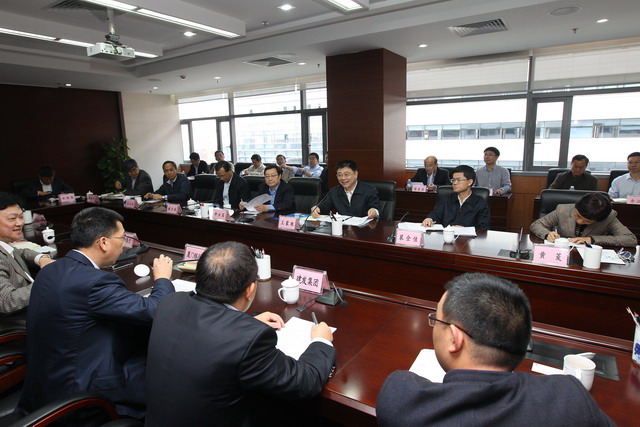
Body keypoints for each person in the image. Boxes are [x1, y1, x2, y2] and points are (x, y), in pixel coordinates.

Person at [376, 273, 614, 427]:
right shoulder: (570, 398)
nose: (434, 326)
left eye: (436, 320)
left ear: (455, 339)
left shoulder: (402, 397)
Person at [145, 241, 336, 426]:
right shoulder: (249, 339)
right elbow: (304, 382)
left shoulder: (170, 302)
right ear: (250, 289)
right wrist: (321, 341)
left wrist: (247, 321)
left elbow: (205, 329)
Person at [18, 207, 175, 419]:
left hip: (45, 383)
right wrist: (163, 279)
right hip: (78, 393)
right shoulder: (95, 282)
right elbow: (155, 311)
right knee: (162, 367)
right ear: (103, 242)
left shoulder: (52, 268)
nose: (124, 244)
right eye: (122, 238)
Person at [0, 193, 54, 330]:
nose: (20, 223)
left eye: (21, 217)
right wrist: (46, 281)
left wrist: (41, 258)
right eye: (12, 219)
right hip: (21, 324)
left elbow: (20, 252)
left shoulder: (5, 245)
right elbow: (7, 301)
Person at [530, 192, 637, 246]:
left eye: (587, 221)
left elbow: (630, 239)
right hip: (562, 253)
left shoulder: (608, 217)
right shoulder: (563, 210)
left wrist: (592, 239)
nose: (579, 221)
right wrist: (547, 234)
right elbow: (537, 224)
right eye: (578, 215)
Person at [421, 165, 490, 230]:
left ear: (470, 182)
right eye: (453, 180)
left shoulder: (480, 203)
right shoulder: (446, 199)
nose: (454, 183)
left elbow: (483, 227)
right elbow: (436, 214)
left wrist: (464, 230)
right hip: (447, 236)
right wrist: (430, 218)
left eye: (458, 180)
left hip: (469, 238)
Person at [311, 160, 379, 219]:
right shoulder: (334, 191)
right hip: (342, 227)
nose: (343, 178)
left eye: (346, 174)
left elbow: (376, 208)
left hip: (364, 228)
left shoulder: (369, 190)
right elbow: (324, 206)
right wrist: (316, 208)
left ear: (356, 174)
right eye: (339, 175)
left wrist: (374, 211)